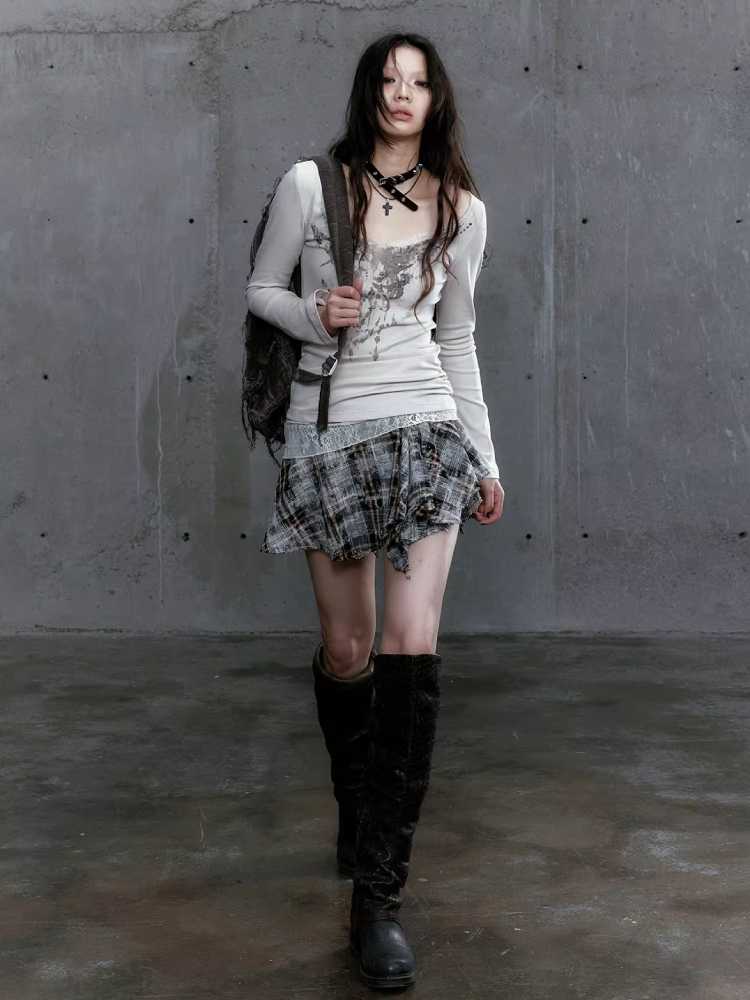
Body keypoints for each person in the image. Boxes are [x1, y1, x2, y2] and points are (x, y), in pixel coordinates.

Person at [246, 31, 505, 991]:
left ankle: (379, 901)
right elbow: (260, 290)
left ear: (437, 99)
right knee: (349, 649)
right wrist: (315, 315)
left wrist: (484, 457)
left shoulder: (463, 209)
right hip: (329, 435)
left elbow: (459, 337)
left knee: (409, 644)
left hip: (428, 430)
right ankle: (356, 804)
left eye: (419, 81)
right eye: (389, 80)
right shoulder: (312, 186)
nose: (403, 93)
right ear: (370, 93)